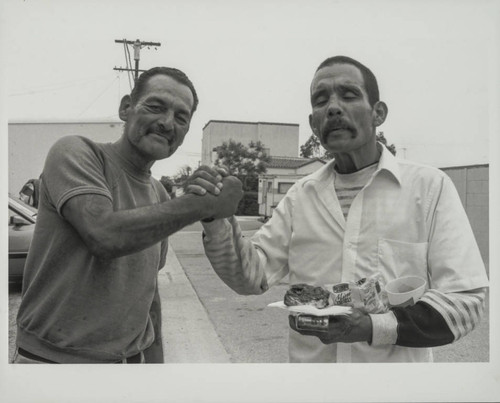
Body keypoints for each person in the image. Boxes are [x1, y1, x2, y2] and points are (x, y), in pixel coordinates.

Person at [198, 56, 489, 362]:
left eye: (349, 95)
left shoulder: (428, 188)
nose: (333, 108)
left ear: (378, 113)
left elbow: (464, 301)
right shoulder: (300, 197)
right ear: (313, 123)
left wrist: (373, 327)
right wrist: (216, 219)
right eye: (321, 100)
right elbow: (251, 276)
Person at [14, 66, 243, 364]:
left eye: (181, 117)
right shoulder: (76, 152)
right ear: (126, 108)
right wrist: (202, 204)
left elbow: (148, 295)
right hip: (51, 363)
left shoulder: (160, 195)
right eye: (155, 106)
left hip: (130, 365)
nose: (166, 122)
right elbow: (103, 235)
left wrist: (156, 367)